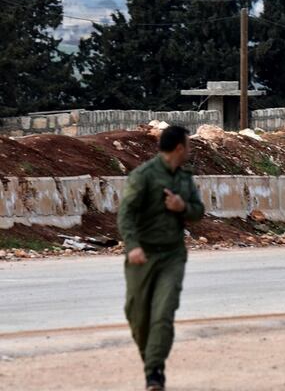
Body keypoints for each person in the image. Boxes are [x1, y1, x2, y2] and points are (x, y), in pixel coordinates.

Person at [117, 125, 205, 391]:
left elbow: (198, 211)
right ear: (179, 147)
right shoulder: (143, 176)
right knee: (138, 317)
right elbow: (126, 214)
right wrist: (132, 246)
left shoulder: (185, 179)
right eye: (188, 145)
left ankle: (155, 373)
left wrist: (183, 207)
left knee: (163, 314)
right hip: (142, 256)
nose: (189, 150)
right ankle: (151, 363)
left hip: (172, 256)